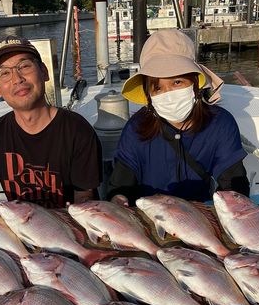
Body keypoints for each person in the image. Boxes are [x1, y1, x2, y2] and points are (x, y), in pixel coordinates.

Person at [107, 29, 249, 205]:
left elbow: (234, 183)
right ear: (148, 94)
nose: (168, 94)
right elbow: (120, 185)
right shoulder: (135, 128)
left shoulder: (221, 124)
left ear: (196, 83)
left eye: (177, 82)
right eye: (157, 87)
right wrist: (119, 199)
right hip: (149, 218)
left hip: (200, 218)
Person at [0, 36, 102, 210]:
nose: (17, 79)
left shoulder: (76, 130)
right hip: (18, 228)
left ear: (44, 72)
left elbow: (84, 199)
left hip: (66, 229)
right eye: (4, 73)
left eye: (24, 66)